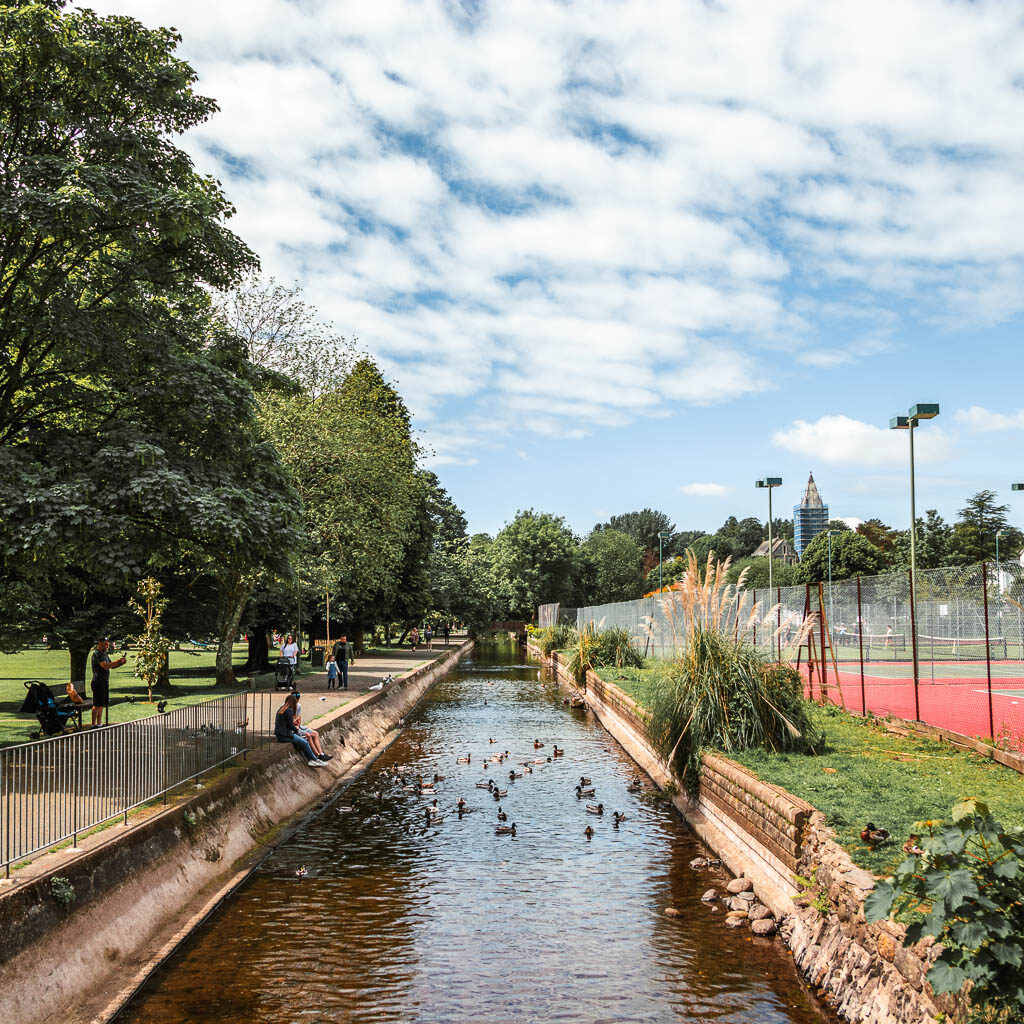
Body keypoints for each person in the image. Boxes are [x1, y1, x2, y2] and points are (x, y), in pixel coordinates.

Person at [274, 693, 326, 766]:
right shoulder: (289, 711)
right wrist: (297, 730)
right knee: (305, 742)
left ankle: (315, 758)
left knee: (303, 741)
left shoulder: (281, 709)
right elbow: (290, 726)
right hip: (285, 735)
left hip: (280, 735)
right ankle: (313, 760)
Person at [90, 638, 126, 726]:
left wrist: (120, 663)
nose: (106, 646)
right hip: (98, 682)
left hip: (105, 682)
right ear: (99, 643)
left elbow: (111, 666)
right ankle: (93, 724)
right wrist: (118, 661)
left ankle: (99, 724)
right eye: (104, 644)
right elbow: (105, 666)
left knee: (101, 704)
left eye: (107, 644)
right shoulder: (96, 654)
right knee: (97, 704)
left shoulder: (104, 654)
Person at [293, 693, 332, 760]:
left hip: (298, 726)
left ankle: (322, 754)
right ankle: (318, 755)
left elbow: (299, 718)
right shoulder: (287, 707)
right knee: (308, 736)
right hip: (293, 728)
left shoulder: (298, 706)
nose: (296, 702)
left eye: (297, 700)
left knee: (315, 734)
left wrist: (298, 724)